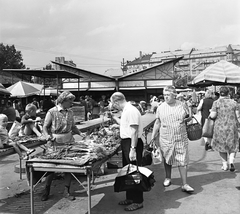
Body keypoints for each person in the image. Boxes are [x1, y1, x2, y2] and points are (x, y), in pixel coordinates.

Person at [41, 91, 85, 201]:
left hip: (69, 141)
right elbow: (45, 127)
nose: (72, 103)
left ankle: (66, 190)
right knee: (51, 167)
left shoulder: (70, 112)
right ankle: (46, 190)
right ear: (63, 101)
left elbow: (73, 126)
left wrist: (80, 133)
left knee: (68, 167)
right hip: (55, 142)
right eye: (70, 101)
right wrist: (47, 136)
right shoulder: (51, 112)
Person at [151, 85, 194, 193]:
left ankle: (184, 184)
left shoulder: (182, 105)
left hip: (180, 136)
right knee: (167, 158)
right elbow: (157, 122)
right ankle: (168, 177)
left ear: (174, 95)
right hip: (166, 137)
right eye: (164, 95)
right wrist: (152, 136)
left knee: (182, 159)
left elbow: (188, 118)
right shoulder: (160, 107)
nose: (166, 97)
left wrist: (188, 118)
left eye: (168, 95)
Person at [111, 92, 144, 211]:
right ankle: (130, 197)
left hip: (132, 142)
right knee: (128, 172)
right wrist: (115, 118)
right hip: (127, 142)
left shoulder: (131, 110)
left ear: (116, 102)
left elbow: (134, 131)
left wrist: (132, 149)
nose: (115, 107)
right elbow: (126, 126)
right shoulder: (126, 110)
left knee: (134, 172)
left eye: (114, 104)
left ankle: (138, 201)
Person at [209, 86, 240, 172]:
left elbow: (213, 116)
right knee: (233, 145)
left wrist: (210, 113)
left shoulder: (216, 103)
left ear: (219, 93)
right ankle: (231, 161)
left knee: (221, 146)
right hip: (232, 127)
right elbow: (238, 116)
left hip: (219, 127)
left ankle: (225, 164)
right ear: (228, 93)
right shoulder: (234, 103)